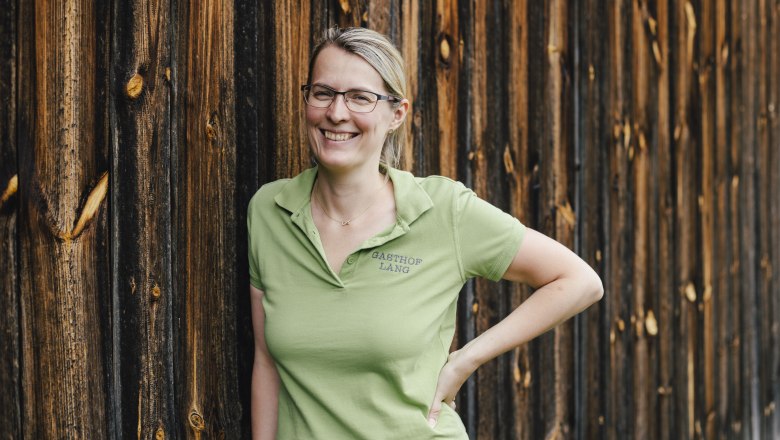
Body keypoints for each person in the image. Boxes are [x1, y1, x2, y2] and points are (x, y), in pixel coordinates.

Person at [247, 27, 603, 439]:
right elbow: (266, 363)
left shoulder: (443, 211)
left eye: (360, 97)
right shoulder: (270, 213)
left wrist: (465, 360)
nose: (337, 113)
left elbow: (579, 281)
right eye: (323, 92)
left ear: (396, 114)